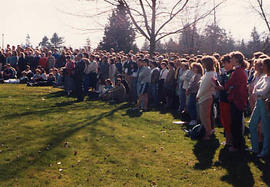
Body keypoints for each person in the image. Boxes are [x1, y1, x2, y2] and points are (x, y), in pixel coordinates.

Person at [225, 51, 248, 152]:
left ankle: (237, 146)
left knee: (236, 124)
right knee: (235, 123)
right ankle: (237, 144)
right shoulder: (238, 71)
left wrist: (230, 88)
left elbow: (233, 86)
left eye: (232, 58)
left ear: (237, 60)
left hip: (237, 100)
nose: (231, 60)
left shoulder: (238, 72)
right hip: (236, 99)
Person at [249, 57, 270, 158]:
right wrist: (258, 92)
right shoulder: (263, 77)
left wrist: (258, 92)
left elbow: (264, 92)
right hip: (259, 102)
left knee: (266, 129)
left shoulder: (268, 78)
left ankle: (265, 151)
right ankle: (255, 147)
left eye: (264, 65)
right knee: (252, 124)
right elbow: (255, 89)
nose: (262, 67)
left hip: (266, 104)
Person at [196, 56, 217, 140]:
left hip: (206, 97)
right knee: (205, 116)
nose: (202, 65)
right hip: (204, 96)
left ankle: (208, 133)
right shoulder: (208, 73)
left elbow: (204, 87)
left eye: (203, 63)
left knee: (205, 117)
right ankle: (208, 131)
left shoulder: (210, 74)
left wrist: (198, 95)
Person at [218, 54, 234, 147]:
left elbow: (229, 88)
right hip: (222, 99)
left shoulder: (232, 73)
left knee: (228, 121)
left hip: (228, 101)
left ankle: (230, 140)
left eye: (224, 63)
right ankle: (228, 139)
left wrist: (221, 88)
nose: (223, 65)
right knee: (224, 120)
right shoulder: (225, 73)